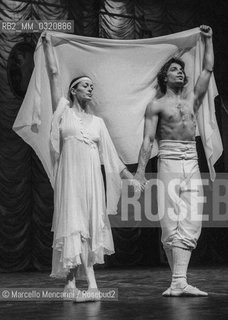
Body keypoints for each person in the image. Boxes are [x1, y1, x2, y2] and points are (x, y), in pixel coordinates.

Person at [42, 32, 142, 302]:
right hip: (70, 178)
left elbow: (111, 157)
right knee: (73, 226)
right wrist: (48, 44)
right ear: (73, 90)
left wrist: (130, 178)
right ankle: (72, 282)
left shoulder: (98, 123)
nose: (90, 89)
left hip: (91, 181)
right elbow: (53, 74)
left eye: (91, 86)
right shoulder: (62, 111)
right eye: (85, 85)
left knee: (89, 226)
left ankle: (92, 284)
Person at [134, 25, 214, 297]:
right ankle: (178, 280)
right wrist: (141, 172)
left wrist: (208, 39)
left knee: (192, 216)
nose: (181, 72)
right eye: (175, 70)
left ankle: (179, 280)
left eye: (182, 70)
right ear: (164, 77)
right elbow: (147, 141)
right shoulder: (155, 105)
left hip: (191, 158)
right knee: (170, 218)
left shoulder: (191, 100)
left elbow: (207, 71)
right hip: (167, 157)